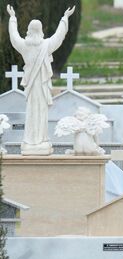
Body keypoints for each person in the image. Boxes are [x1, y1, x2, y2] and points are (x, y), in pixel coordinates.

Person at [7, 4, 75, 155]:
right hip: (41, 88)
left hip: (31, 88)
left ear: (29, 31)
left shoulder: (24, 45)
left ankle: (30, 140)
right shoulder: (46, 45)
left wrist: (12, 19)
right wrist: (64, 18)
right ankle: (40, 140)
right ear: (41, 31)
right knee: (40, 113)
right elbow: (59, 36)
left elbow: (13, 37)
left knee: (32, 112)